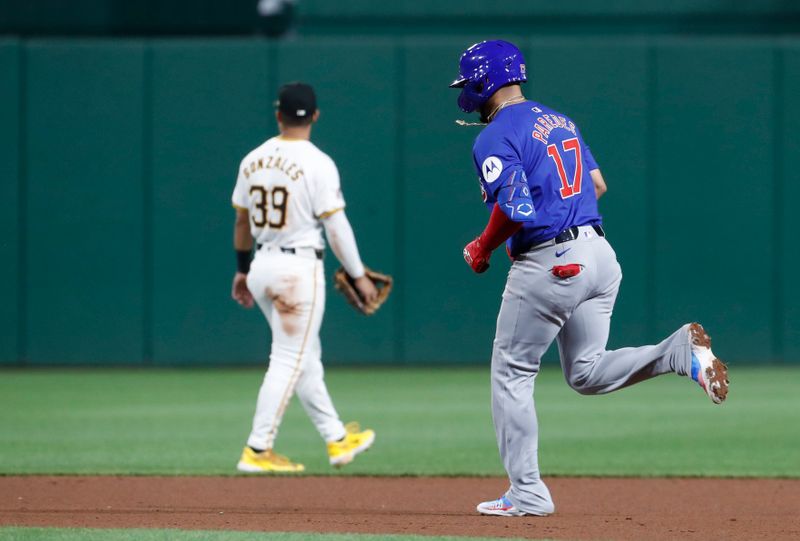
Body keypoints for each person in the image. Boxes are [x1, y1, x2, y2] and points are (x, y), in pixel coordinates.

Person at [450, 40, 730, 516]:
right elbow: (596, 186)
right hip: (600, 256)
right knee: (585, 372)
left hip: (551, 260)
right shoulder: (560, 120)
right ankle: (677, 353)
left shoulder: (494, 135)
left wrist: (482, 245)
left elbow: (516, 207)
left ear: (483, 82)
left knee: (512, 372)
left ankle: (528, 494)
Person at [230, 82, 376, 473]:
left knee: (304, 357)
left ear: (278, 114)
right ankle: (257, 449)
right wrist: (359, 275)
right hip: (297, 270)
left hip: (262, 264)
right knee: (288, 359)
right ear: (315, 116)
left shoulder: (252, 159)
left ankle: (337, 440)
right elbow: (337, 226)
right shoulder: (318, 162)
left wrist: (243, 270)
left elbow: (242, 221)